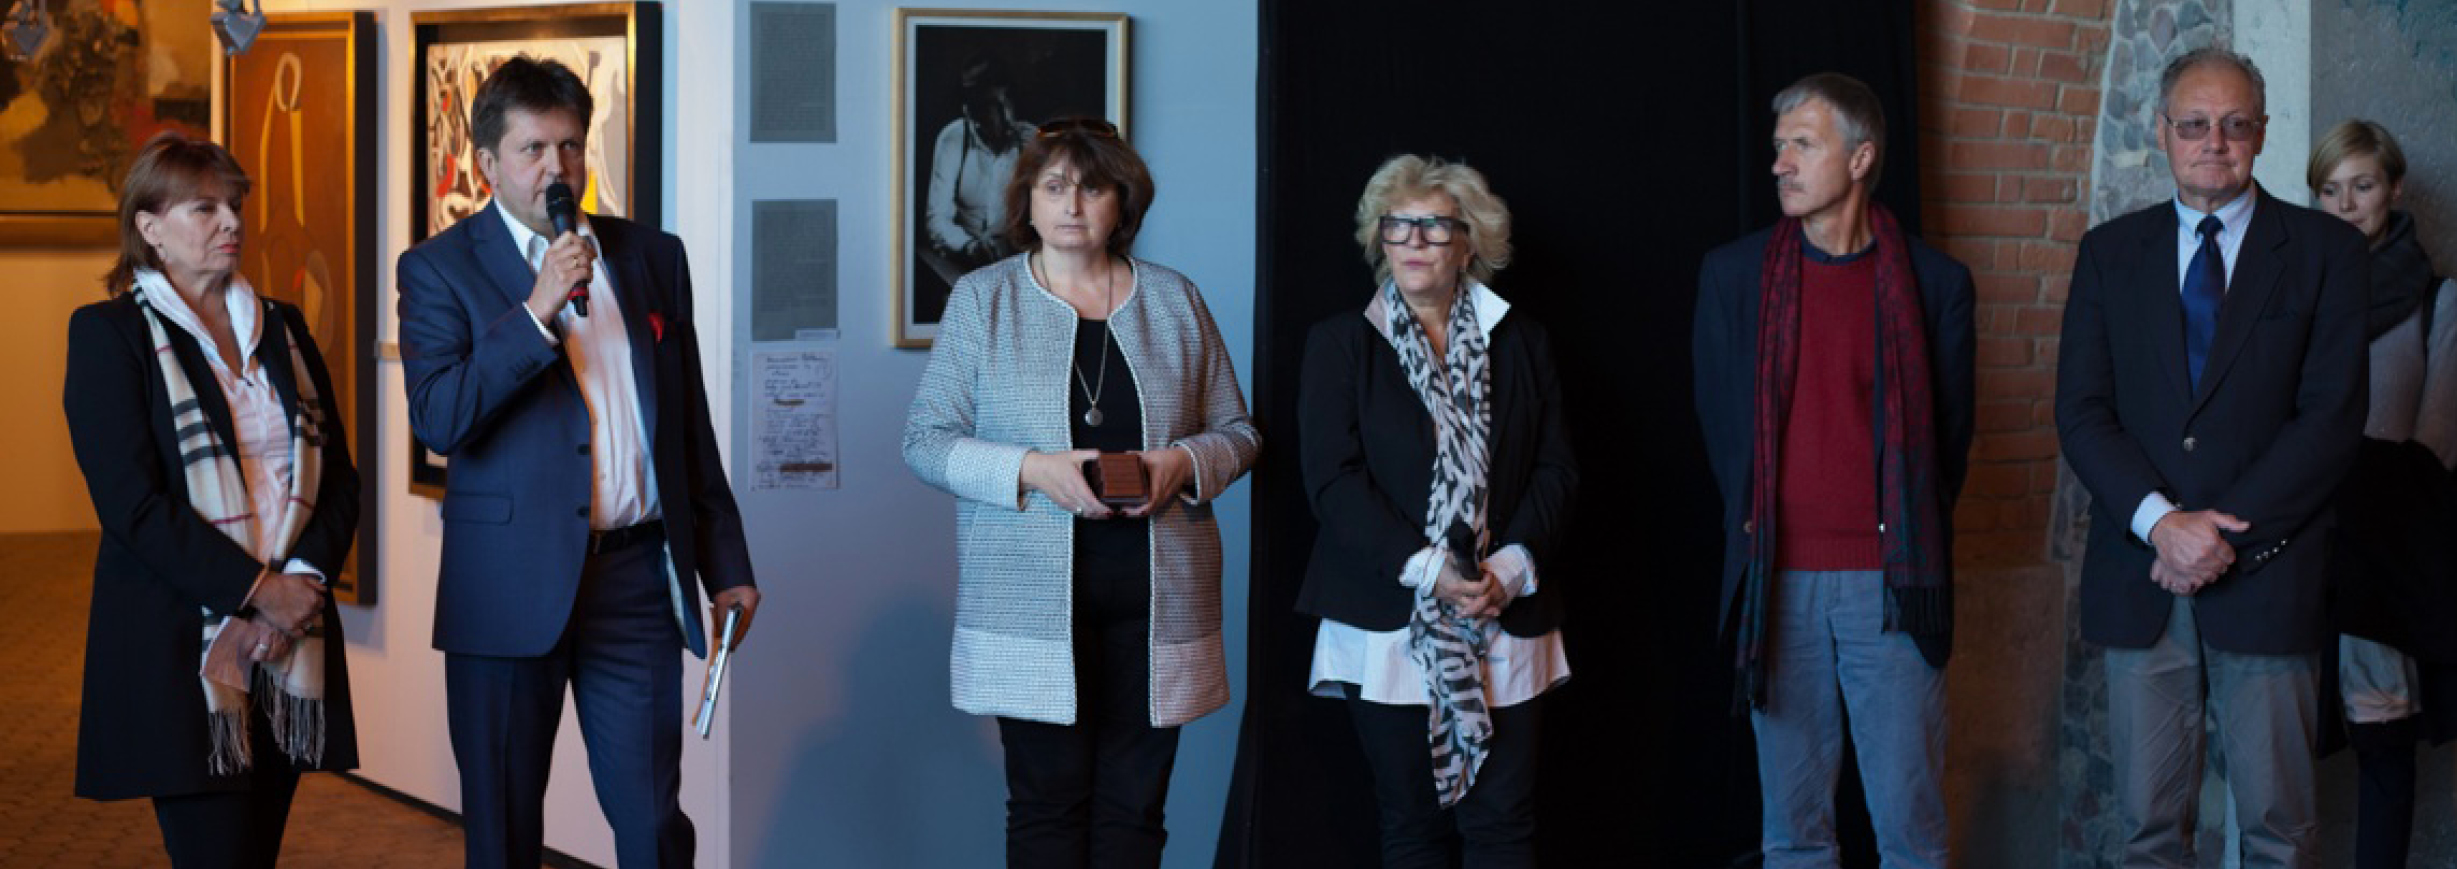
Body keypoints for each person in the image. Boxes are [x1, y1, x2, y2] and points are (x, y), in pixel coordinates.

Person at [395, 56, 760, 869]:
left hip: (635, 581)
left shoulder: (651, 255)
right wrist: (536, 312)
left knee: (652, 820)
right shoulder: (438, 268)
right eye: (532, 149)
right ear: (486, 163)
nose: (555, 167)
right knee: (503, 827)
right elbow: (441, 417)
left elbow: (688, 428)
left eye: (569, 146)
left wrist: (725, 562)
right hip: (506, 584)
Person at [903, 116, 1259, 869]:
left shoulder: (1175, 299)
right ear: (1026, 201)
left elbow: (1239, 432)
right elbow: (925, 441)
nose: (1071, 204)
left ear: (1121, 203)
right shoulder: (982, 299)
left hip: (1158, 602)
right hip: (1028, 603)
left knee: (1137, 811)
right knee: (1046, 810)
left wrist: (1181, 463)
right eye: (1054, 186)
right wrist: (1034, 468)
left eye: (1092, 188)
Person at [2055, 48, 2368, 868]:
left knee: (2278, 834)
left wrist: (2219, 535)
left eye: (2233, 124)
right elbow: (2081, 411)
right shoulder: (2108, 253)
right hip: (2143, 578)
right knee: (2150, 835)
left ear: (2260, 134)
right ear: (2161, 131)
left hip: (2268, 574)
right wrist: (2162, 524)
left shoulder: (2325, 252)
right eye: (2193, 124)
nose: (2212, 142)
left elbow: (2330, 419)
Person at [1694, 72, 1976, 869]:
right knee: (1793, 837)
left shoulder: (1935, 284)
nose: (1779, 162)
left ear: (1859, 158)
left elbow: (1948, 443)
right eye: (1777, 145)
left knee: (1911, 835)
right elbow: (1724, 434)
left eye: (1802, 144)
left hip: (1892, 585)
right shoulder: (1733, 276)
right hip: (1775, 583)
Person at [63, 132, 361, 868]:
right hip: (180, 648)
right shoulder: (109, 335)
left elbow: (338, 478)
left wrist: (300, 585)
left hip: (289, 644)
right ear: (150, 227)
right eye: (204, 208)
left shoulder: (284, 327)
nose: (231, 222)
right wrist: (258, 591)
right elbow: (132, 506)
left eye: (234, 205)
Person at [1296, 154, 1577, 868]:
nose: (1414, 240)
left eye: (1434, 226)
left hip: (1505, 610)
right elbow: (1332, 481)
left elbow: (1556, 469)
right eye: (1397, 225)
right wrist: (1429, 570)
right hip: (1388, 615)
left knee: (1503, 823)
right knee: (1412, 825)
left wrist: (1509, 569)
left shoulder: (1523, 341)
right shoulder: (1340, 343)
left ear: (1469, 244)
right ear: (1379, 238)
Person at [2308, 118, 2457, 869]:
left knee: (2383, 746)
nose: (2345, 205)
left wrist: (2342, 471)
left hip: (2385, 553)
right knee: (2274, 746)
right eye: (2329, 189)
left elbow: (2436, 443)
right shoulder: (2294, 294)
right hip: (2298, 544)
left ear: (2393, 190)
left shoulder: (2437, 300)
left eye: (2361, 186)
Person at [923, 54, 1036, 287]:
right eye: (980, 104)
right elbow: (937, 218)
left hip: (1019, 262)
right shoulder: (954, 138)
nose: (996, 116)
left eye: (999, 103)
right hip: (964, 260)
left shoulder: (1031, 142)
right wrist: (969, 246)